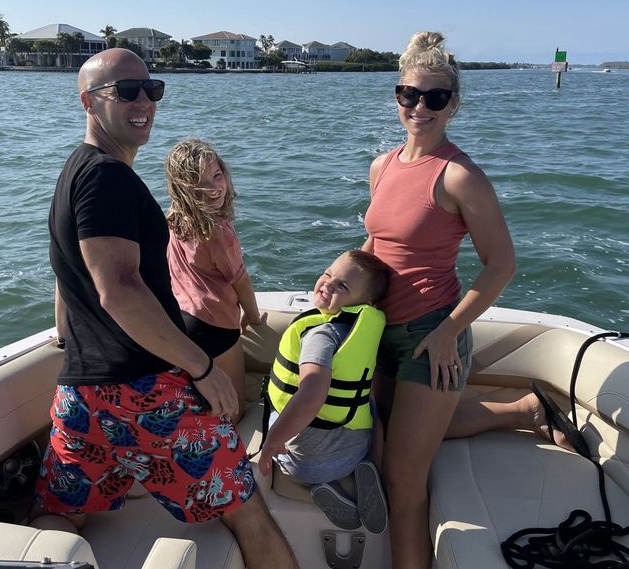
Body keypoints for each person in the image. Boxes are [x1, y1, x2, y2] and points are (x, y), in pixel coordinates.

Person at [36, 48, 298, 569]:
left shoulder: (74, 171)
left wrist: (64, 331)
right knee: (245, 509)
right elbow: (121, 289)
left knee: (60, 512)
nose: (144, 102)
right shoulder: (108, 177)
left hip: (82, 397)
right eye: (126, 91)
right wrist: (201, 368)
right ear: (89, 102)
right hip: (145, 392)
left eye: (151, 89)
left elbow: (70, 275)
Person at [363, 31, 517, 569]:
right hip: (375, 333)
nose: (418, 108)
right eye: (409, 94)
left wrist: (449, 330)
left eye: (433, 98)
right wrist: (342, 286)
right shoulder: (382, 166)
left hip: (431, 336)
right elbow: (376, 245)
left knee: (402, 483)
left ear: (453, 104)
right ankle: (522, 411)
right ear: (397, 97)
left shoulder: (459, 176)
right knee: (390, 439)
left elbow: (501, 264)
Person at [258, 249, 390, 534]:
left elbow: (310, 397)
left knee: (282, 414)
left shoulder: (320, 334)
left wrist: (271, 443)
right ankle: (373, 467)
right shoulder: (364, 326)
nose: (328, 285)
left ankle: (318, 485)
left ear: (365, 301)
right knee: (369, 403)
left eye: (341, 286)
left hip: (302, 465)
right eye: (329, 274)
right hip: (354, 452)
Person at [165, 139, 265, 422]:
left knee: (201, 402)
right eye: (200, 183)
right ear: (185, 188)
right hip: (215, 326)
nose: (213, 188)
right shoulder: (219, 230)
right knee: (232, 409)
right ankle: (226, 461)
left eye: (216, 176)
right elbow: (240, 280)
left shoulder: (174, 219)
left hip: (182, 321)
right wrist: (254, 318)